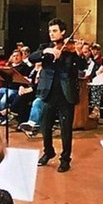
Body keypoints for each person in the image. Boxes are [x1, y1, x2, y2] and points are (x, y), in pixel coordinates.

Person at [29, 18, 86, 173]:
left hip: (66, 94)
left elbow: (83, 67)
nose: (51, 34)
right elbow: (31, 58)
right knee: (45, 127)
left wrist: (79, 54)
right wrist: (46, 52)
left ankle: (65, 159)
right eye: (50, 31)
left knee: (65, 130)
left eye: (54, 31)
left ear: (63, 32)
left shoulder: (71, 49)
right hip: (48, 93)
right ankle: (48, 151)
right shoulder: (45, 47)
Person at [0, 50, 32, 125]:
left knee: (3, 101)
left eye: (17, 56)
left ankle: (3, 118)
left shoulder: (25, 67)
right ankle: (4, 115)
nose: (15, 57)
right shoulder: (8, 66)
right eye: (14, 56)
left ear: (21, 57)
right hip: (4, 87)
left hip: (14, 89)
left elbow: (25, 80)